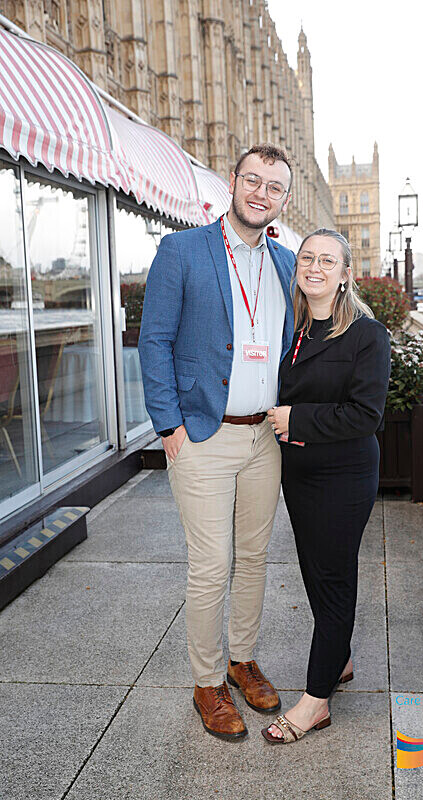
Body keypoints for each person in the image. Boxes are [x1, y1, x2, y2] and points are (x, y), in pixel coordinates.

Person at [138, 144, 295, 741]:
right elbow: (154, 341)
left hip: (266, 437)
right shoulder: (182, 250)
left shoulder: (285, 262)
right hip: (203, 434)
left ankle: (242, 658)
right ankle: (207, 681)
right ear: (233, 183)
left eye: (273, 186)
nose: (260, 192)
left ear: (283, 198)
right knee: (211, 564)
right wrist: (168, 425)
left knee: (254, 558)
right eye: (252, 180)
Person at [262, 229, 391, 744]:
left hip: (344, 475)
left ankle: (316, 701)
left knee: (334, 578)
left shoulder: (367, 334)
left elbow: (367, 415)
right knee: (315, 572)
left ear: (345, 275)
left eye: (327, 261)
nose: (315, 267)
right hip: (301, 473)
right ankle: (339, 659)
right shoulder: (293, 329)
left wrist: (298, 420)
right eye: (307, 258)